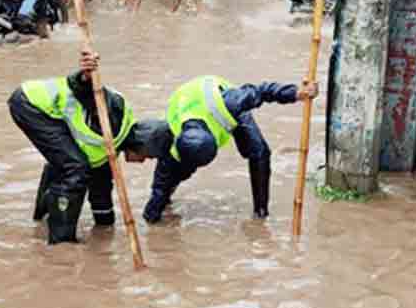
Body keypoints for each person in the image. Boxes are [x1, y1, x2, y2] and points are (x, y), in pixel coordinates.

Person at [9, 50, 153, 244]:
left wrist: (105, 223)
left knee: (70, 160)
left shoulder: (113, 146)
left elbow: (101, 182)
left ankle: (41, 219)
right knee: (75, 167)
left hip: (51, 111)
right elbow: (87, 91)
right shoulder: (114, 120)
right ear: (141, 144)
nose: (144, 161)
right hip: (32, 105)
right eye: (147, 156)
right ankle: (62, 244)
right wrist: (85, 75)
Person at [133, 75, 319, 223]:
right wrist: (151, 215)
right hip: (190, 104)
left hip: (219, 103)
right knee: (172, 175)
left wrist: (296, 93)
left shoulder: (231, 102)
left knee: (259, 152)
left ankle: (261, 214)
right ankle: (166, 202)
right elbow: (160, 180)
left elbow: (261, 91)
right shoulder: (173, 138)